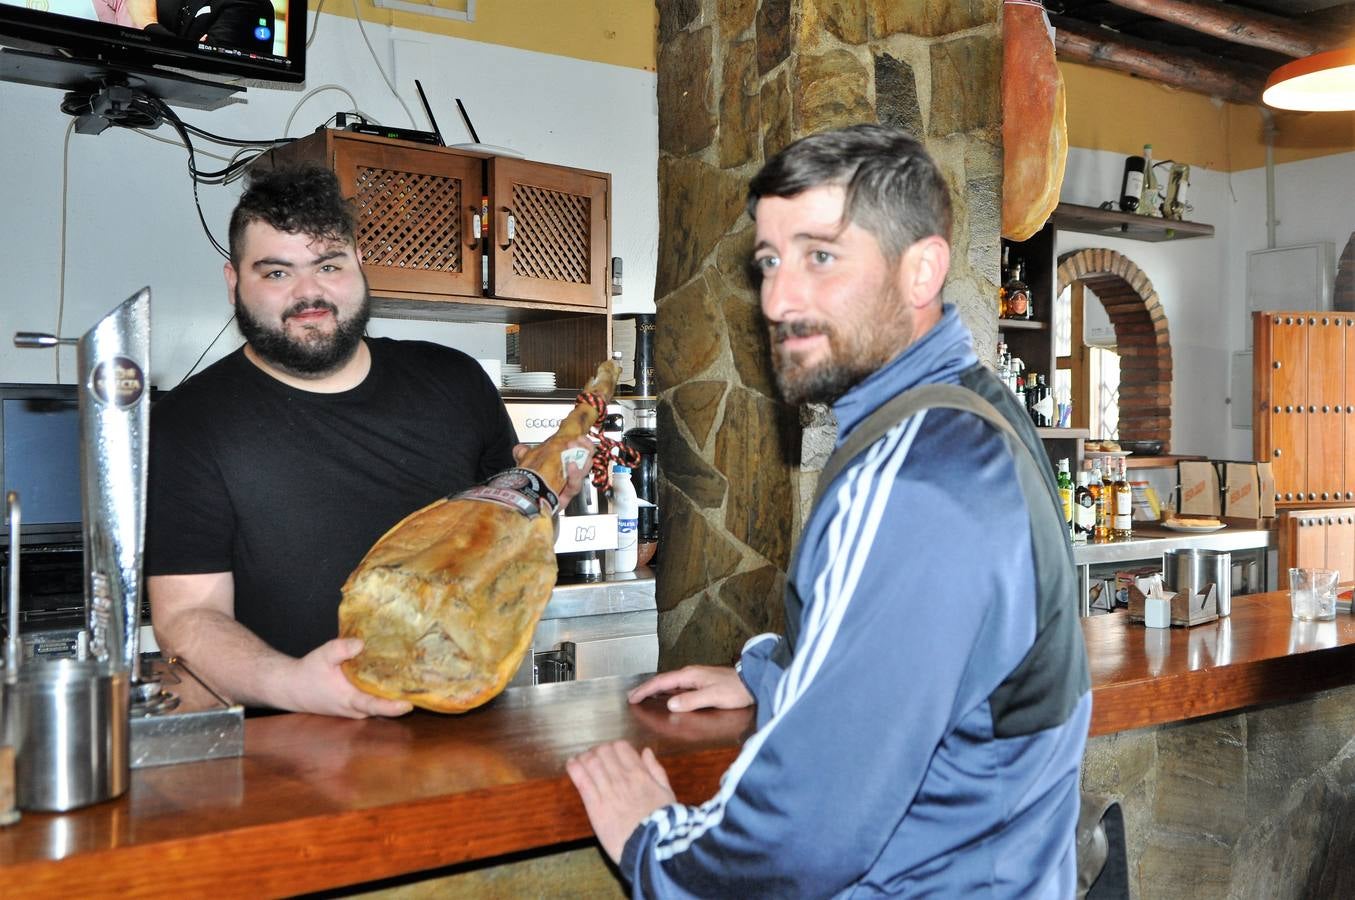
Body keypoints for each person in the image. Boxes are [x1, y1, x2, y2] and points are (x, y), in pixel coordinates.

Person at [566, 124, 1092, 897]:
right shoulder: (973, 410)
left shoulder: (913, 476)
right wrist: (777, 675)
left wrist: (654, 844)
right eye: (769, 261)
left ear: (921, 270)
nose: (777, 298)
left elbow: (801, 836)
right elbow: (930, 676)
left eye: (819, 256)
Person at [146, 165, 520, 719]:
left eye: (328, 265)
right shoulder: (187, 424)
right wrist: (294, 683)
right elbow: (188, 616)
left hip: (469, 727)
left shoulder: (456, 381)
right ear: (233, 282)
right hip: (295, 747)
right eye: (276, 273)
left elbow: (508, 533)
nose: (309, 293)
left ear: (358, 267)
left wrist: (547, 489)